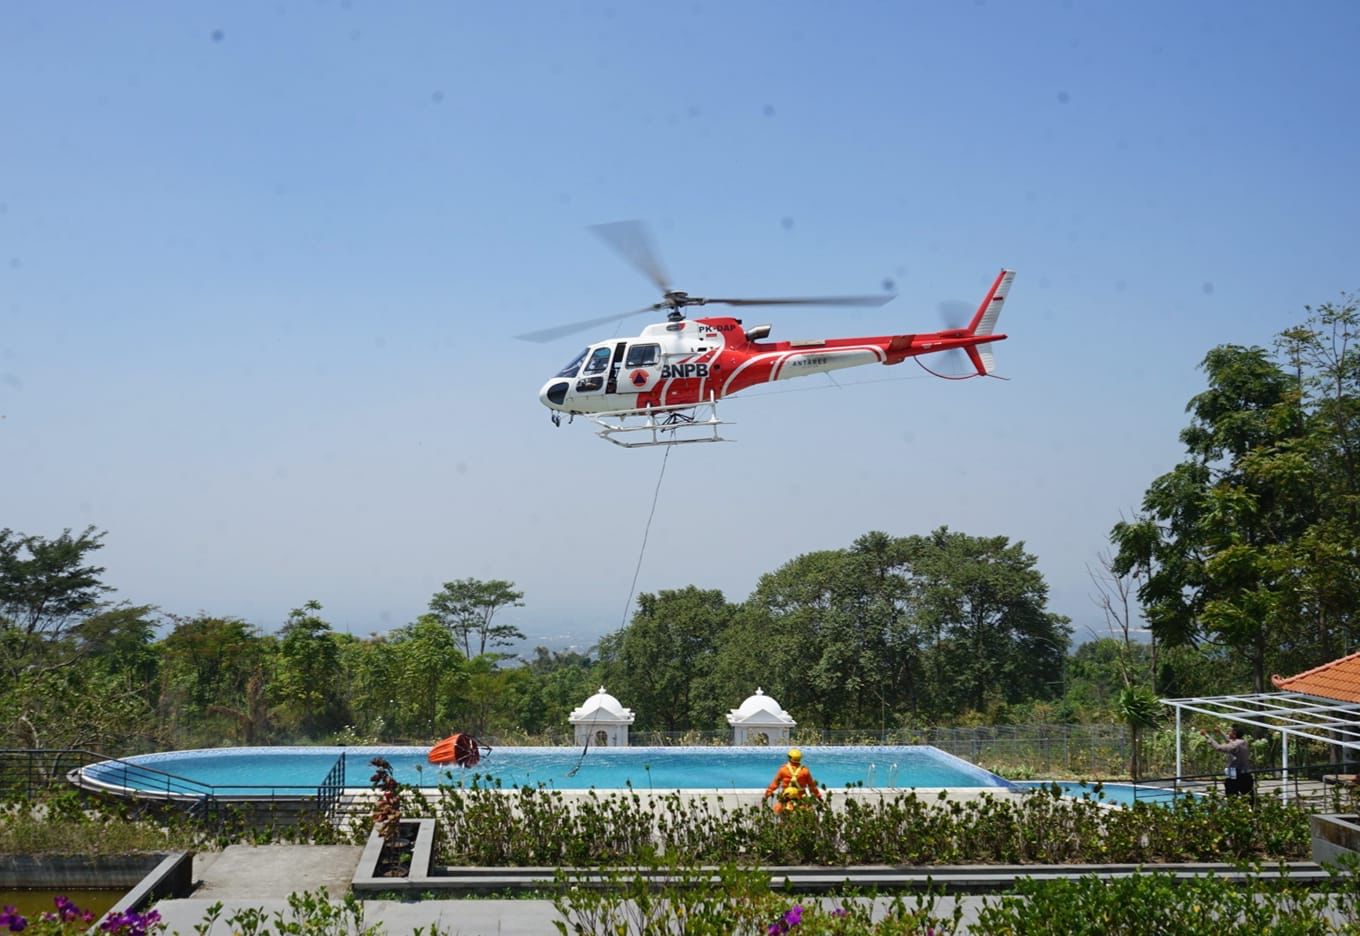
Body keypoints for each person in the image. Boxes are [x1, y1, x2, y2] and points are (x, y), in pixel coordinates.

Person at [762, 748, 822, 814]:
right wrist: (818, 796)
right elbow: (812, 786)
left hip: (786, 797)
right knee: (808, 813)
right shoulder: (805, 771)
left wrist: (767, 795)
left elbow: (774, 784)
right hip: (801, 797)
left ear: (789, 758)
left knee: (779, 811)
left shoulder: (783, 770)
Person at [1201, 725, 1254, 797]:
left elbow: (1218, 748)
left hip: (1234, 773)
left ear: (1234, 734)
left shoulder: (1234, 745)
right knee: (1248, 795)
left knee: (1231, 794)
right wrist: (1220, 732)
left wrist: (1206, 736)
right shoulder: (1243, 742)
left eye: (1230, 732)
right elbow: (1230, 740)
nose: (1228, 733)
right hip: (1246, 773)